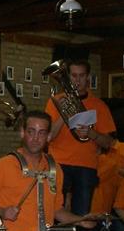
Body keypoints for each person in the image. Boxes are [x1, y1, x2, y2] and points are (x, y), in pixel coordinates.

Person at [44, 59, 116, 216]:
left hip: (86, 166)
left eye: (82, 76)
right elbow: (48, 137)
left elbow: (108, 143)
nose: (77, 80)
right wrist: (64, 113)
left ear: (88, 77)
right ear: (68, 77)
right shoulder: (55, 102)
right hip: (59, 163)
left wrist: (91, 133)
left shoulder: (99, 105)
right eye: (74, 76)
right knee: (54, 212)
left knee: (81, 215)